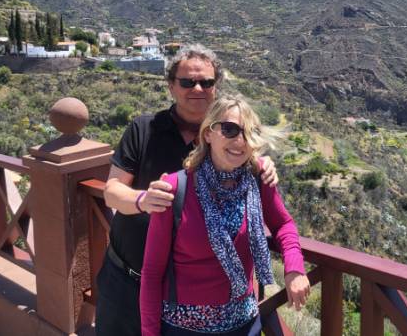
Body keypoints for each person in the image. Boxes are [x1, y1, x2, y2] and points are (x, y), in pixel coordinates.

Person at [97, 45, 279, 336]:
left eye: (206, 82)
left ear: (216, 87)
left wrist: (261, 163)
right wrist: (144, 200)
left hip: (183, 304)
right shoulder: (144, 129)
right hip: (126, 279)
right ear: (171, 86)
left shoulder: (225, 139)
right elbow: (112, 191)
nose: (197, 89)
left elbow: (250, 169)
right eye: (187, 82)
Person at [140, 95, 310, 335]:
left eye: (249, 132)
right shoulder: (174, 188)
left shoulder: (257, 179)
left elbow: (283, 225)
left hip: (244, 325)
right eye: (229, 130)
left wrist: (294, 269)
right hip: (183, 328)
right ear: (208, 134)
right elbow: (152, 272)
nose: (240, 140)